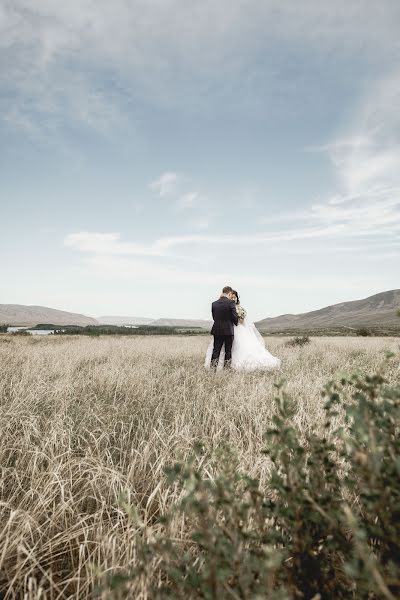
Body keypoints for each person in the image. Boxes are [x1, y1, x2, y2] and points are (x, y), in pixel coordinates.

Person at [205, 289, 280, 371]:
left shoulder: (220, 304)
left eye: (235, 297)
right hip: (229, 329)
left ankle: (222, 368)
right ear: (229, 296)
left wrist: (238, 321)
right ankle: (221, 368)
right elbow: (231, 317)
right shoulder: (229, 304)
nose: (233, 299)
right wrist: (234, 321)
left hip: (232, 329)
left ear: (237, 298)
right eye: (232, 297)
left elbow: (217, 317)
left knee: (227, 349)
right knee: (225, 350)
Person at [209, 285, 239, 369]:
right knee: (228, 351)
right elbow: (234, 317)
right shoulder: (231, 303)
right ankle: (226, 370)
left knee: (216, 350)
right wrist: (236, 323)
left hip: (217, 330)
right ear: (229, 293)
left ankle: (213, 369)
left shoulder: (214, 304)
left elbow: (214, 317)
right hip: (228, 330)